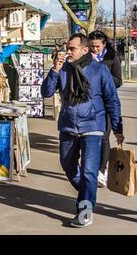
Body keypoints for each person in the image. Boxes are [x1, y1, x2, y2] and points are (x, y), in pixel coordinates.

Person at [41, 33, 124, 228]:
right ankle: (88, 191)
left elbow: (112, 99)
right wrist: (54, 70)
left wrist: (118, 127)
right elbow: (46, 92)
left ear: (85, 50)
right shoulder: (62, 69)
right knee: (68, 166)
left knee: (88, 171)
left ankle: (85, 209)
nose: (67, 52)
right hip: (68, 127)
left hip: (93, 126)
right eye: (67, 48)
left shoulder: (99, 70)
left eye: (72, 49)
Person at [88, 30, 122, 188]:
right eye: (92, 46)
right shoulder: (86, 58)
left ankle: (102, 170)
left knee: (104, 136)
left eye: (97, 46)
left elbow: (118, 81)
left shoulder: (111, 58)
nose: (95, 49)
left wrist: (102, 73)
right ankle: (92, 168)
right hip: (90, 103)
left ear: (104, 44)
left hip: (106, 101)